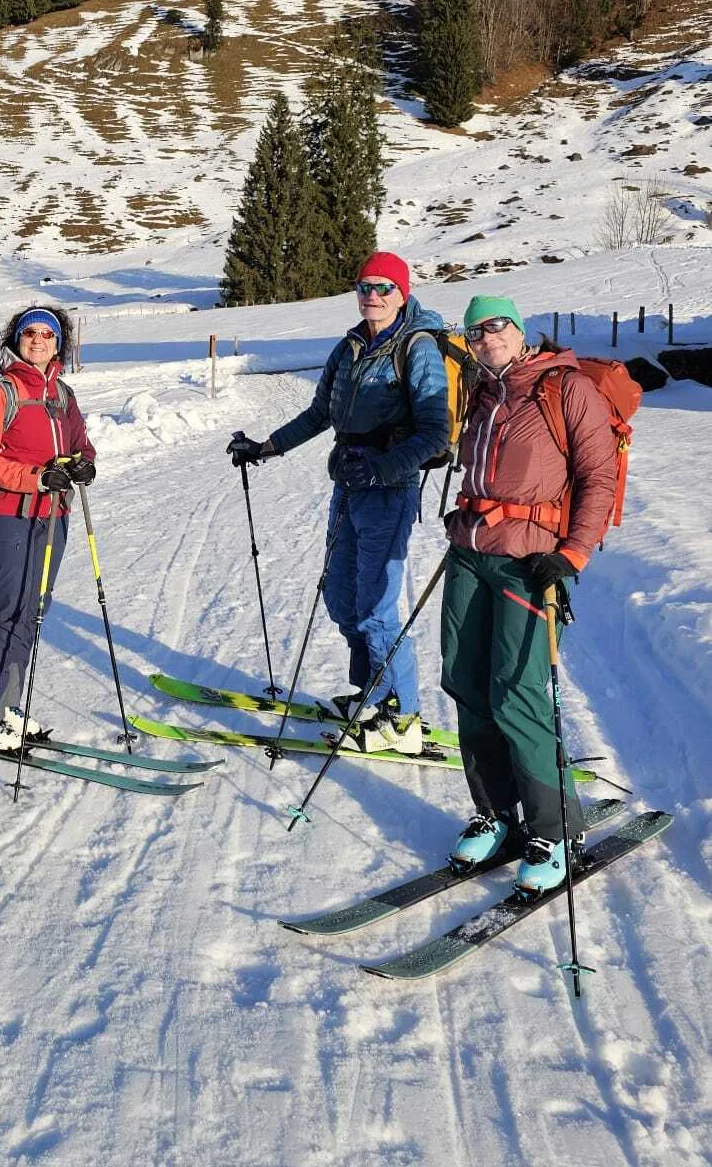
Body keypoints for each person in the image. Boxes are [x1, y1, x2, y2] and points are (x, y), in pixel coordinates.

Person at [227, 251, 450, 753]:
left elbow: (436, 431)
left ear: (402, 292)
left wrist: (383, 466)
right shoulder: (350, 346)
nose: (373, 295)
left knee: (376, 608)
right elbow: (318, 413)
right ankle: (370, 694)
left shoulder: (417, 348)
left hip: (388, 491)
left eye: (384, 288)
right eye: (365, 286)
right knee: (343, 601)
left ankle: (405, 716)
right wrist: (266, 446)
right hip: (348, 486)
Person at [441, 295, 617, 893]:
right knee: (466, 683)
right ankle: (496, 814)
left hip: (531, 562)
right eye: (475, 330)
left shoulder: (563, 387)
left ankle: (556, 829)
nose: (486, 336)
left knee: (516, 694)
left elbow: (599, 475)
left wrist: (570, 556)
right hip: (471, 554)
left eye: (496, 325)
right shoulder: (483, 391)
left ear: (519, 330)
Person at [0, 306, 96, 751]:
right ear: (16, 339)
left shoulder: (63, 394)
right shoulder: (0, 392)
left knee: (34, 608)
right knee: (9, 610)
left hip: (54, 515)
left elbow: (80, 442)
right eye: (29, 333)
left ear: (59, 343)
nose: (37, 340)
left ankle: (7, 704)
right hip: (9, 514)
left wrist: (84, 463)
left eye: (47, 335)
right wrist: (35, 478)